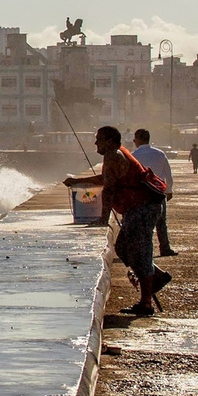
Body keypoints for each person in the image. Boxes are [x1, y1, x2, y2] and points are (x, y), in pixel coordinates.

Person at [63, 126, 170, 316]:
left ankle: (146, 304)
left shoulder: (113, 155)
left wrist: (103, 218)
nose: (96, 143)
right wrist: (78, 181)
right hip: (138, 208)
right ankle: (157, 276)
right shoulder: (117, 154)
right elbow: (107, 178)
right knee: (123, 248)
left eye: (99, 139)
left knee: (140, 252)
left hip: (143, 208)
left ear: (110, 141)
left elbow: (109, 189)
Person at [132, 129, 177, 257]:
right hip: (158, 192)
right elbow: (168, 174)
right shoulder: (160, 154)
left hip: (141, 194)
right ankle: (165, 248)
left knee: (143, 224)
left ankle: (142, 250)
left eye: (134, 140)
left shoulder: (133, 156)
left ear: (138, 140)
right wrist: (169, 190)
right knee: (161, 222)